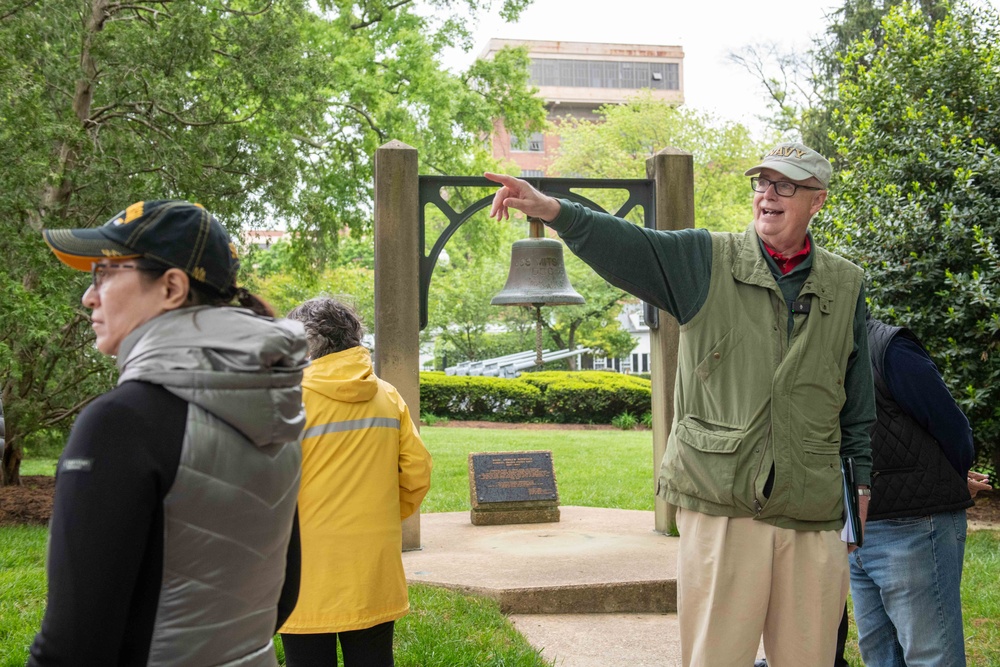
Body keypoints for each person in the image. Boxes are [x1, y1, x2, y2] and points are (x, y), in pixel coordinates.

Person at [485, 141, 876, 667]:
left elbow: (856, 406)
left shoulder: (846, 284)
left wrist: (858, 492)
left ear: (817, 201)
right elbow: (629, 245)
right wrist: (553, 210)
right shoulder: (704, 259)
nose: (768, 195)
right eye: (761, 183)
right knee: (715, 657)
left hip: (812, 509)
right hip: (721, 504)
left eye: (785, 185)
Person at [30, 200, 307, 666]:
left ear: (172, 287)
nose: (89, 296)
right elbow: (284, 593)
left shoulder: (119, 422)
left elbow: (74, 646)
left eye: (104, 272)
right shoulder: (276, 408)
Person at [279, 297, 432, 667]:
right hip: (372, 569)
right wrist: (380, 517)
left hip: (304, 571)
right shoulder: (388, 395)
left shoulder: (284, 400)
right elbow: (416, 473)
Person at [846, 315, 993, 666]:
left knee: (931, 657)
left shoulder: (890, 346)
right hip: (855, 531)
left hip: (914, 527)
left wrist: (954, 477)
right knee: (879, 657)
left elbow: (951, 426)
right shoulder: (818, 351)